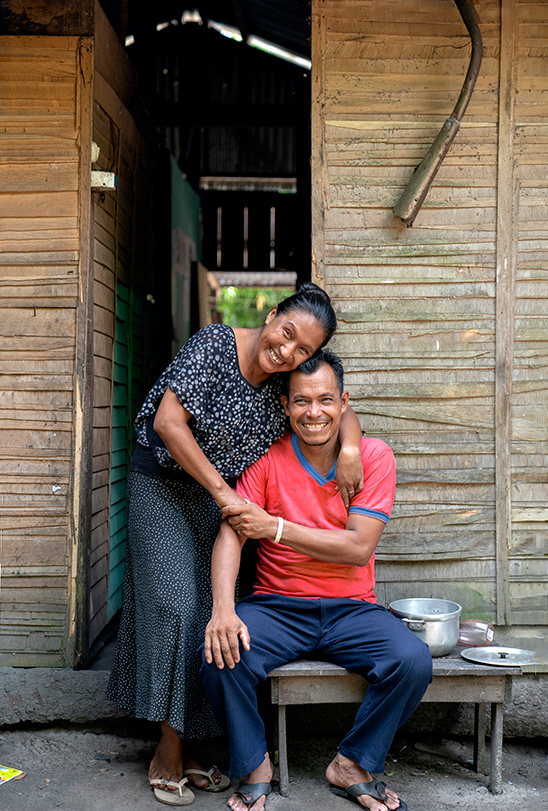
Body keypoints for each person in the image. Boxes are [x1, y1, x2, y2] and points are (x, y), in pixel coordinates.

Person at [106, 284, 365, 806]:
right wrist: (227, 496)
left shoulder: (282, 382)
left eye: (303, 351)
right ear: (272, 315)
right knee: (175, 605)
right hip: (165, 486)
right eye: (286, 333)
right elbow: (168, 423)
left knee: (213, 611)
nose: (288, 352)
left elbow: (333, 406)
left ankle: (191, 745)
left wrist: (353, 446)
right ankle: (167, 750)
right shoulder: (214, 345)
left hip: (220, 503)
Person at [201, 350, 433, 811]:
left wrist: (277, 528)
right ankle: (254, 764)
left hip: (352, 608)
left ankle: (351, 762)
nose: (314, 413)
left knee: (412, 660)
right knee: (218, 656)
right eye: (301, 401)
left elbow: (358, 547)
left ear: (343, 402)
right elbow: (231, 534)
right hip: (277, 606)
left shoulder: (372, 455)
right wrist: (222, 611)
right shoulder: (266, 459)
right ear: (286, 406)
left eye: (325, 400)